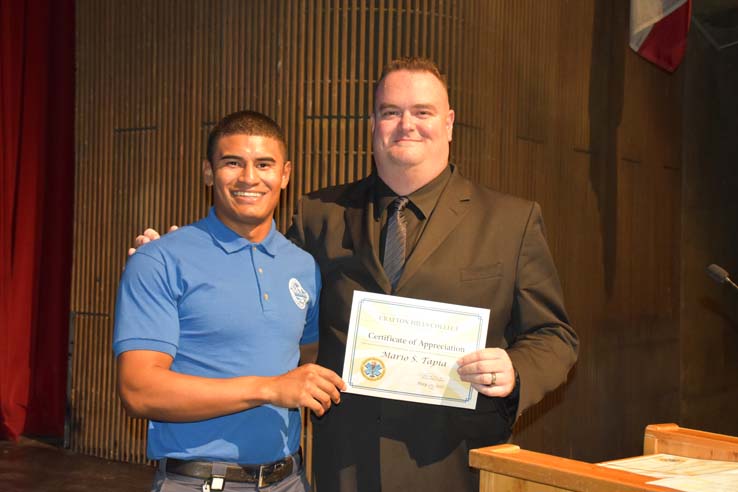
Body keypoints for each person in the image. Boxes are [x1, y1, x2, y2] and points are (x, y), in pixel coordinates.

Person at [133, 57, 578, 492]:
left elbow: (554, 335)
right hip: (343, 465)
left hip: (455, 464)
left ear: (448, 123)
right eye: (391, 112)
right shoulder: (318, 216)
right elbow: (259, 291)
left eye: (423, 112)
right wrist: (176, 253)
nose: (407, 124)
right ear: (373, 124)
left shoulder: (511, 221)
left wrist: (516, 371)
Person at [114, 110, 345, 492]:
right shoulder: (160, 260)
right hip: (199, 483)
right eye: (232, 162)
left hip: (289, 481)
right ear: (208, 173)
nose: (249, 178)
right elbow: (138, 390)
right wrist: (269, 388)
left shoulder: (303, 266)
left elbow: (309, 357)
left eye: (264, 164)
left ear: (285, 174)